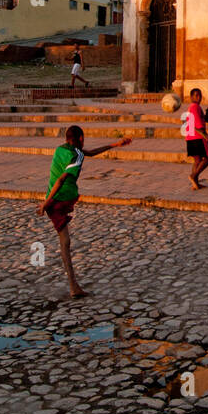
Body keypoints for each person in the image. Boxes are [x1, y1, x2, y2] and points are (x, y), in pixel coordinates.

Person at [38, 125, 132, 297]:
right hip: (59, 200)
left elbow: (90, 153)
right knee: (65, 242)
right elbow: (60, 180)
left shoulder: (61, 149)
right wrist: (46, 203)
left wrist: (115, 145)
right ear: (81, 138)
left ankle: (73, 285)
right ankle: (74, 286)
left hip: (53, 201)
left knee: (65, 242)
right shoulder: (77, 155)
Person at [184, 87, 208, 190]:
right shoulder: (195, 107)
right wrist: (204, 134)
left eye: (200, 95)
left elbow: (205, 119)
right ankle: (194, 176)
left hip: (190, 137)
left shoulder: (194, 107)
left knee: (197, 160)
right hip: (198, 137)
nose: (199, 97)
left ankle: (195, 183)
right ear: (191, 97)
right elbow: (195, 124)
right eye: (196, 95)